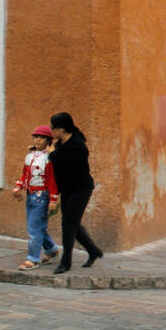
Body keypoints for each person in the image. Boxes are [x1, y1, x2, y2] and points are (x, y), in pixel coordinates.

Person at [47, 111, 103, 274]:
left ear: (62, 129)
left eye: (54, 128)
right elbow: (57, 165)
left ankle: (66, 263)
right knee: (72, 224)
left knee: (68, 225)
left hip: (81, 189)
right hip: (67, 190)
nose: (52, 131)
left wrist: (53, 156)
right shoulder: (59, 145)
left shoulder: (78, 145)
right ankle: (93, 251)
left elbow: (71, 166)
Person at [12, 125, 60, 270]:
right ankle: (51, 249)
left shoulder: (49, 159)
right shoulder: (29, 156)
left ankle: (32, 259)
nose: (37, 139)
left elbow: (52, 180)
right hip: (30, 195)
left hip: (42, 196)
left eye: (41, 137)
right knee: (36, 227)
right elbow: (25, 174)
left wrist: (53, 199)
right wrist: (19, 186)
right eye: (35, 137)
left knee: (34, 229)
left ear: (48, 140)